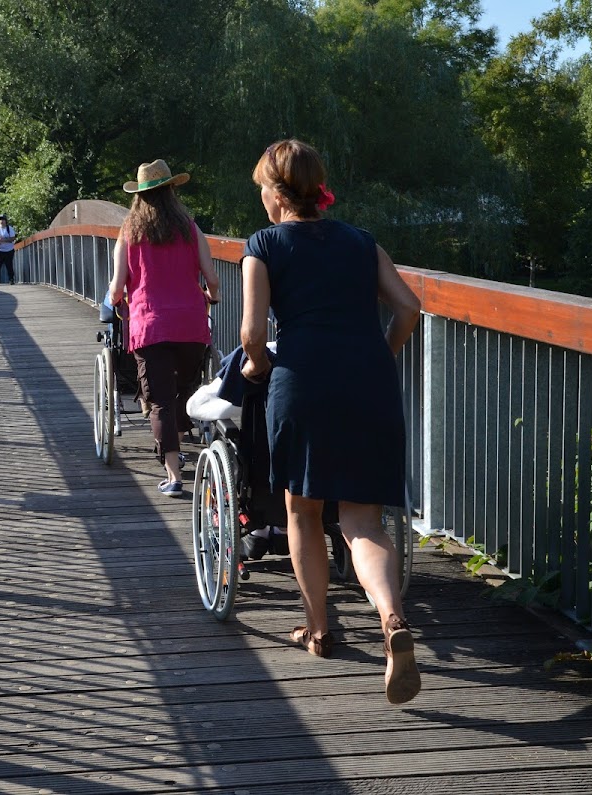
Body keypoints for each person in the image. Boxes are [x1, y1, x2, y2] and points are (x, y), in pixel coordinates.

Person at [239, 139, 422, 704]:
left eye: (262, 192)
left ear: (276, 193)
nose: (262, 202)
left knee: (303, 509)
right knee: (363, 521)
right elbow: (409, 309)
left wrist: (258, 365)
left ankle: (319, 628)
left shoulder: (264, 244)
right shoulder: (362, 243)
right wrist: (381, 355)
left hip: (304, 382)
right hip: (368, 382)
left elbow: (249, 333)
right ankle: (391, 618)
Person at [108, 159, 220, 497]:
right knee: (184, 391)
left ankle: (173, 475)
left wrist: (119, 302)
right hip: (190, 325)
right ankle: (182, 437)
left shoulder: (129, 233)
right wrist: (211, 297)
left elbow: (116, 290)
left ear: (139, 197)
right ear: (172, 190)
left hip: (150, 327)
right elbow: (213, 282)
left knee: (159, 403)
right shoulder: (190, 228)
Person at [0, 213, 17, 285]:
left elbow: (13, 238)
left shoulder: (9, 228)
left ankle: (11, 279)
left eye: (3, 219)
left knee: (9, 265)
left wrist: (3, 240)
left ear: (6, 220)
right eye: (0, 219)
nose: (1, 221)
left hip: (8, 250)